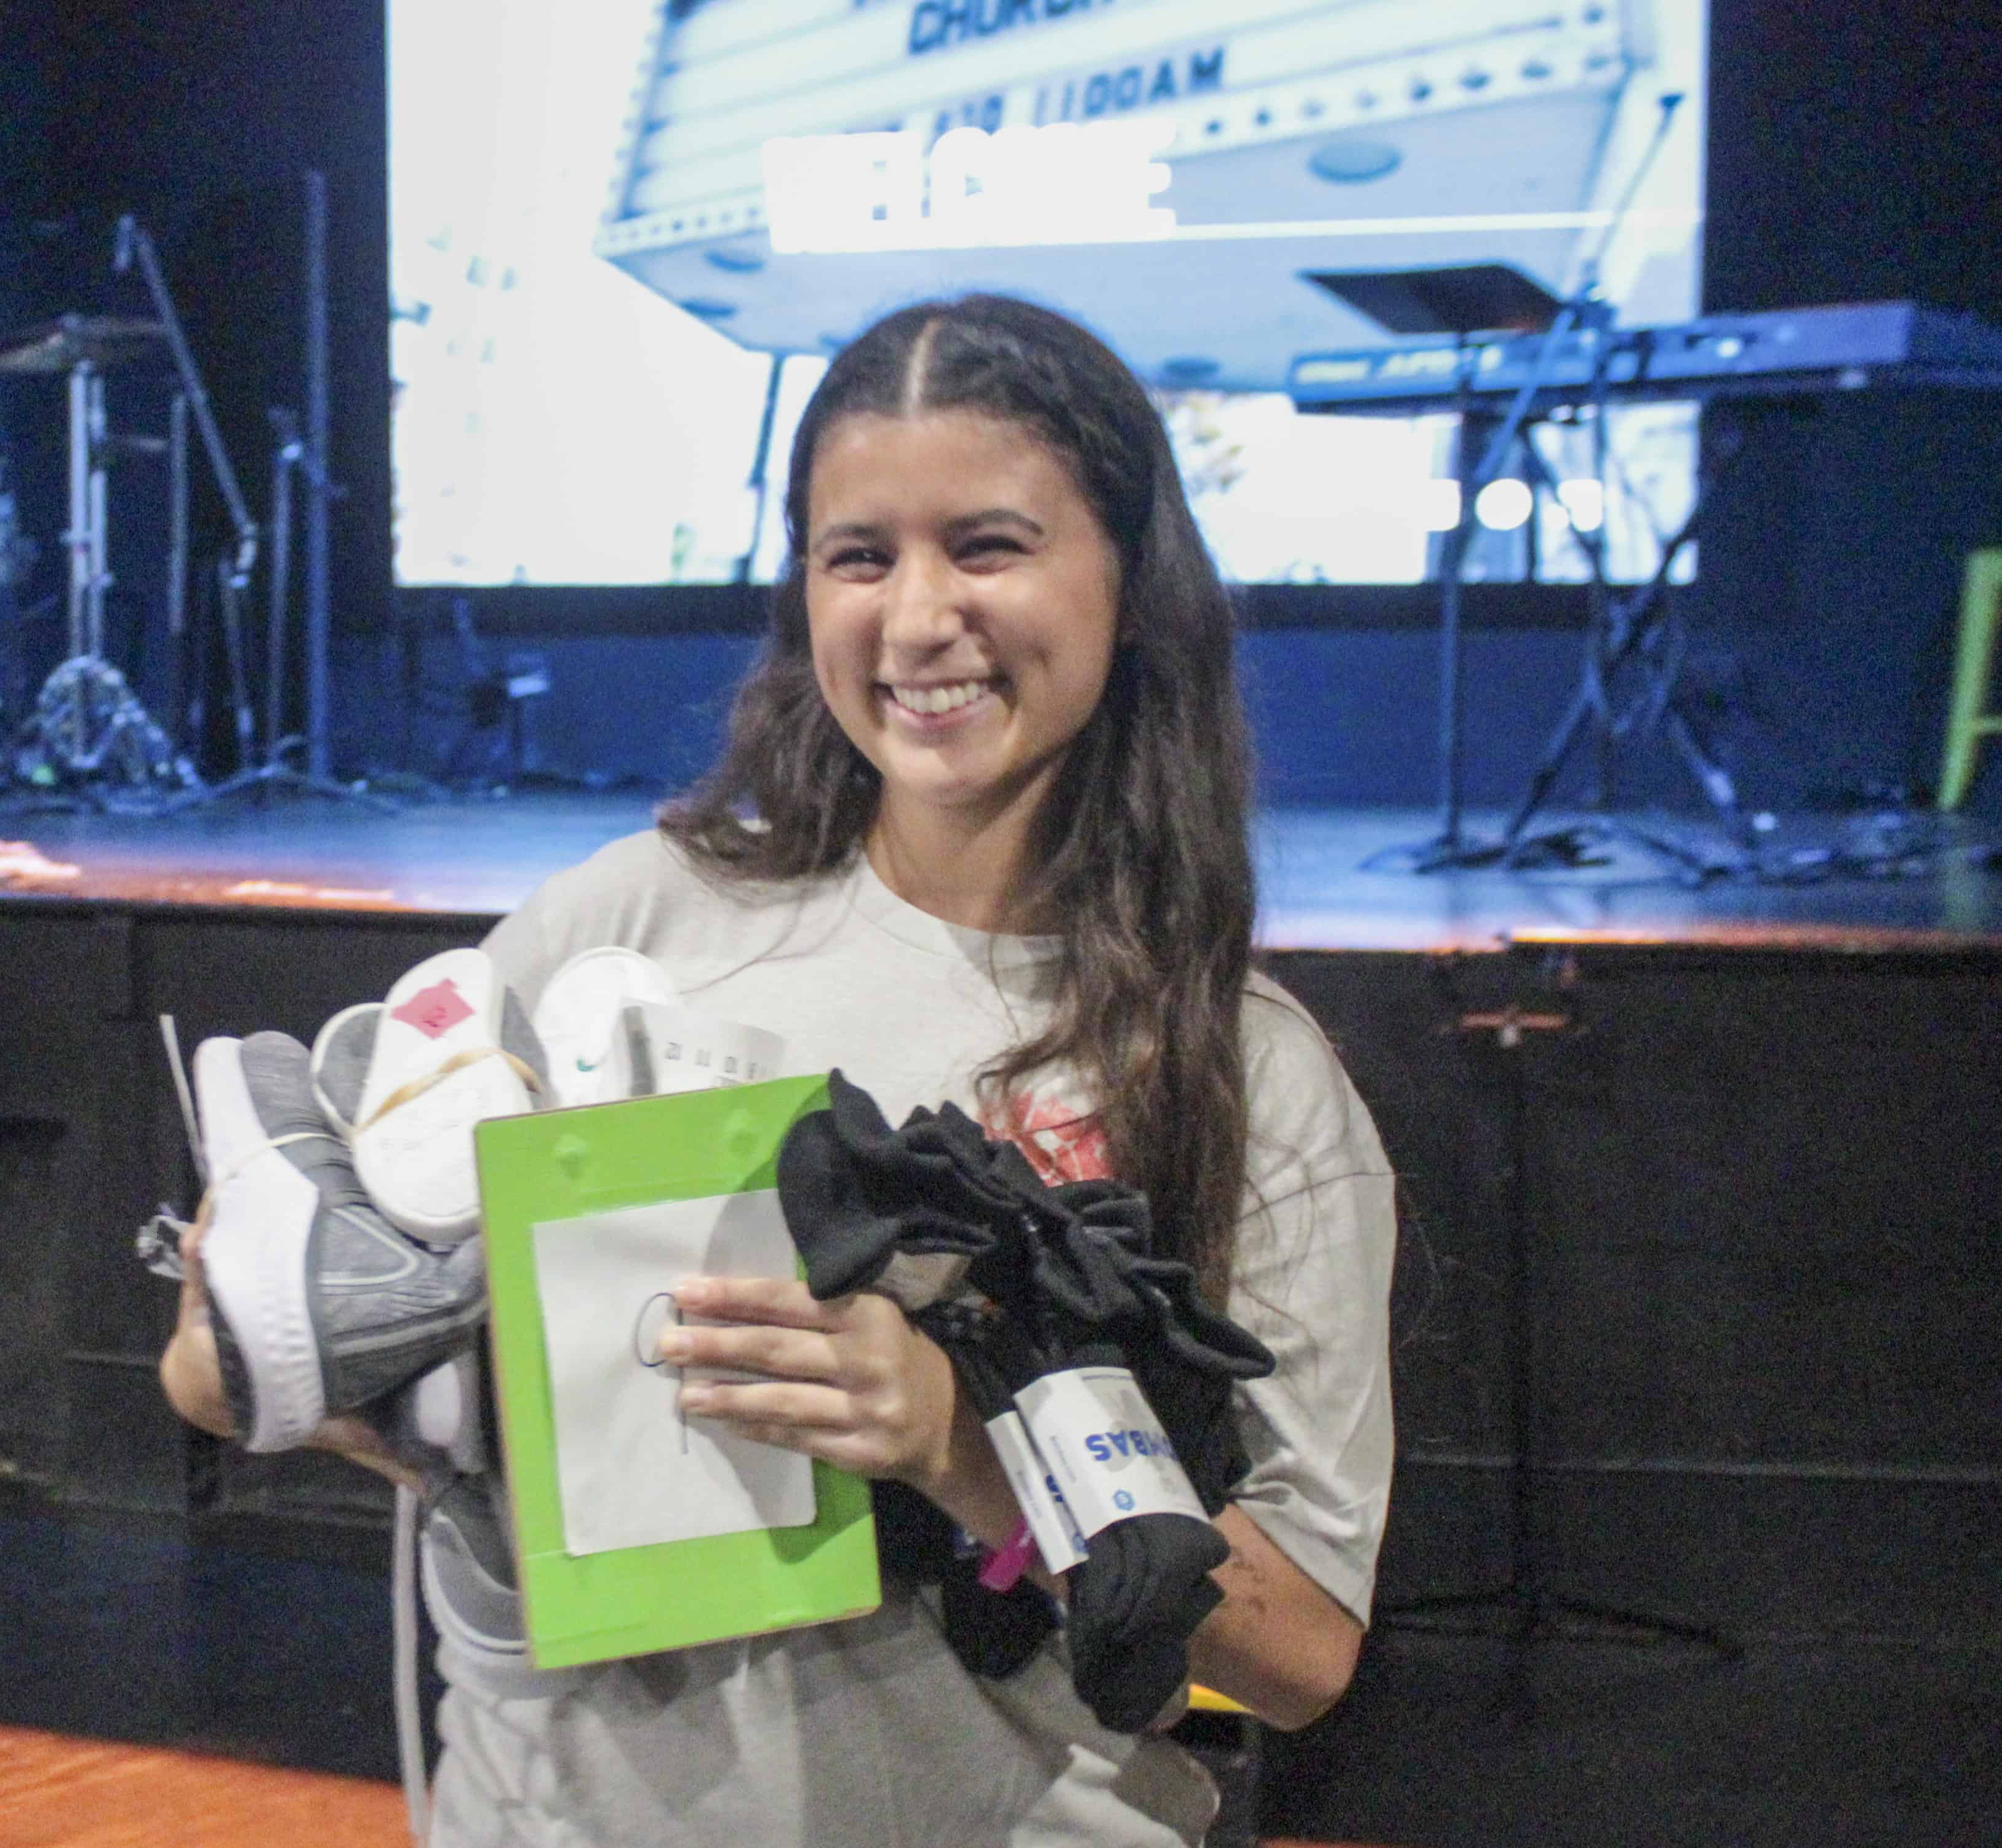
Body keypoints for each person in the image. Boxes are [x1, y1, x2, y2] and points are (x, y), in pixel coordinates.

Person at [165, 293, 1396, 1846]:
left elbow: (1301, 1654)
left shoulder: (1242, 1069)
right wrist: (340, 1356)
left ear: (1133, 585)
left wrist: (961, 1440)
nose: (918, 616)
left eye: (989, 546)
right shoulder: (631, 923)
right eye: (858, 556)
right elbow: (210, 1371)